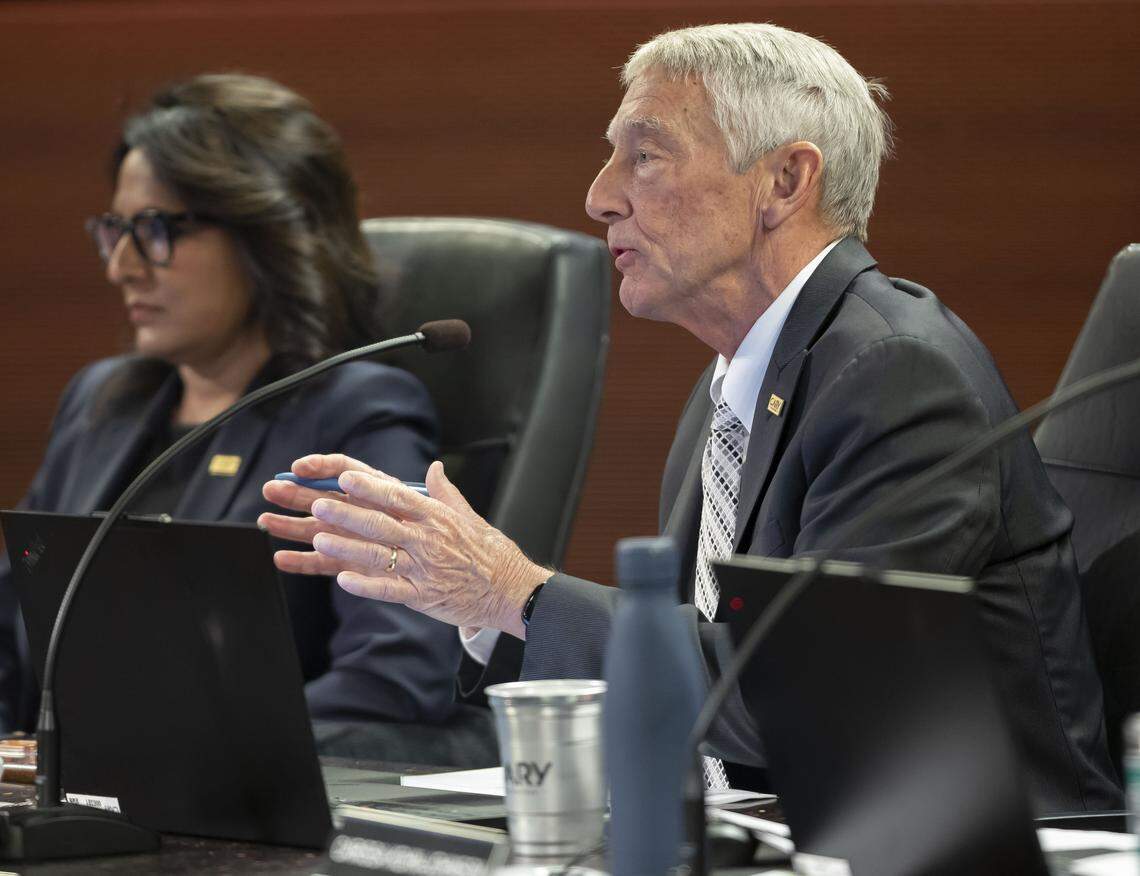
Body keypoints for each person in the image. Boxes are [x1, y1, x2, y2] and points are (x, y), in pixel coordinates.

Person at [260, 24, 1122, 812]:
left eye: (646, 156)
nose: (600, 196)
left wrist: (518, 592)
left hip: (991, 845)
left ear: (784, 181)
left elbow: (807, 697)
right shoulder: (734, 385)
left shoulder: (898, 373)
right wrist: (479, 606)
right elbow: (696, 670)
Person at [0, 74, 461, 735]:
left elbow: (396, 675)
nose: (122, 267)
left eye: (156, 229)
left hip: (236, 821)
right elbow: (11, 630)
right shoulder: (99, 402)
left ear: (266, 233)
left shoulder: (355, 414)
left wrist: (187, 753)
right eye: (115, 230)